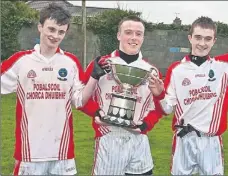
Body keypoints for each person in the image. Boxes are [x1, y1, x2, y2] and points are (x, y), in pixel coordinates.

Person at [1, 3, 103, 175]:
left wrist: (94, 77)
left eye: (61, 32)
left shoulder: (70, 62)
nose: (55, 36)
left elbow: (79, 101)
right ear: (40, 27)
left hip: (62, 153)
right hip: (29, 153)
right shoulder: (21, 61)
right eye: (51, 29)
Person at [148, 16, 228, 175]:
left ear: (214, 41)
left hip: (210, 141)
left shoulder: (224, 67)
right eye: (198, 37)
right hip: (183, 139)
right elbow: (167, 109)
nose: (202, 43)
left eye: (208, 39)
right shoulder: (177, 70)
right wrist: (159, 94)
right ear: (190, 38)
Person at [80, 15, 164, 175]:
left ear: (143, 38)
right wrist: (96, 112)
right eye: (128, 32)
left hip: (139, 141)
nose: (133, 38)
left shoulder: (151, 70)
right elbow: (80, 97)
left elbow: (158, 107)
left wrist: (147, 124)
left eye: (138, 34)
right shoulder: (102, 63)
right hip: (109, 137)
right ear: (119, 35)